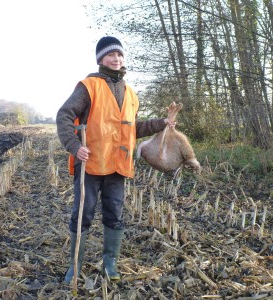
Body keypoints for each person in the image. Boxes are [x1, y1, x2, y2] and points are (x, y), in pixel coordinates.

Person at [56, 36, 175, 283]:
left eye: (119, 55)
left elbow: (131, 129)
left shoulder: (130, 93)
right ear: (101, 58)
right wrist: (74, 146)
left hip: (118, 166)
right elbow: (64, 115)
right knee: (83, 213)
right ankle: (74, 266)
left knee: (115, 214)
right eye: (111, 55)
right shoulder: (88, 86)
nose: (116, 59)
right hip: (90, 163)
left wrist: (160, 124)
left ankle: (110, 263)